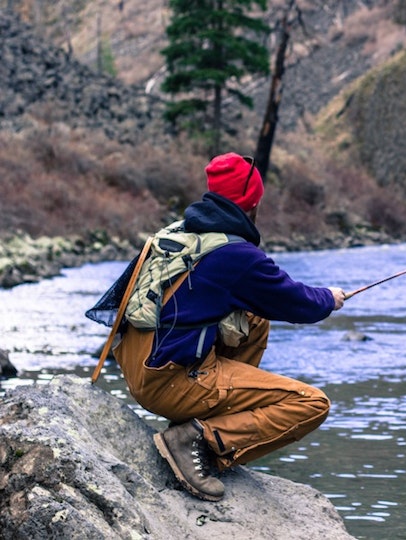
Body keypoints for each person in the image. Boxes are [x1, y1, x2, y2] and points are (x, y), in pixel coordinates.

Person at [111, 152, 345, 502]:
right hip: (169, 381)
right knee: (311, 403)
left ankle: (207, 419)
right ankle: (198, 439)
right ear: (253, 201)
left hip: (137, 366)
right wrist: (329, 297)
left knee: (255, 317)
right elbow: (298, 303)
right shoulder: (236, 256)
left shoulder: (184, 232)